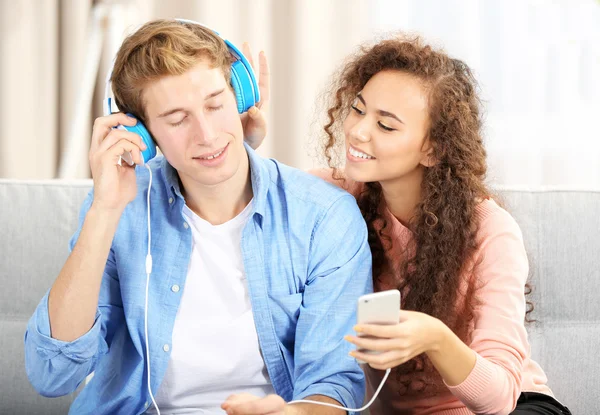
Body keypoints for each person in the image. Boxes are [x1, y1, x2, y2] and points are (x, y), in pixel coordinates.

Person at [24, 19, 372, 415]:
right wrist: (104, 211)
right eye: (176, 119)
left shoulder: (322, 216)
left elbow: (333, 383)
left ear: (239, 96)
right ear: (143, 134)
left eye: (214, 104)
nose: (206, 134)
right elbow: (51, 375)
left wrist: (292, 413)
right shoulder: (123, 209)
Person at [249, 35, 571, 415]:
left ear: (433, 148)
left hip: (512, 406)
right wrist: (247, 145)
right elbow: (259, 196)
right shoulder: (335, 197)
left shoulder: (489, 230)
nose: (357, 131)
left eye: (386, 126)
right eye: (358, 109)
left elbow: (499, 398)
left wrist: (435, 338)